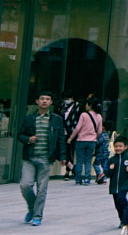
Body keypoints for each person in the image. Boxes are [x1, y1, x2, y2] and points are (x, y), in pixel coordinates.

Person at [16, 92, 66, 226]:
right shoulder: (29, 119)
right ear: (37, 101)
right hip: (29, 157)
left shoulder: (57, 119)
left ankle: (37, 215)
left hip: (46, 157)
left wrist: (63, 157)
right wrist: (28, 139)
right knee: (25, 185)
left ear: (51, 103)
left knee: (42, 188)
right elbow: (19, 135)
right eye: (42, 99)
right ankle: (32, 208)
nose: (44, 101)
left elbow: (61, 138)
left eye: (47, 99)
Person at [70, 102, 104, 185]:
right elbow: (99, 131)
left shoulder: (84, 115)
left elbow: (78, 127)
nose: (85, 106)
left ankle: (78, 179)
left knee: (79, 161)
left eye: (87, 104)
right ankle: (87, 179)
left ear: (90, 106)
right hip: (92, 141)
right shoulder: (99, 116)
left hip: (81, 140)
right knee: (88, 161)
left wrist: (71, 137)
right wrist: (95, 136)